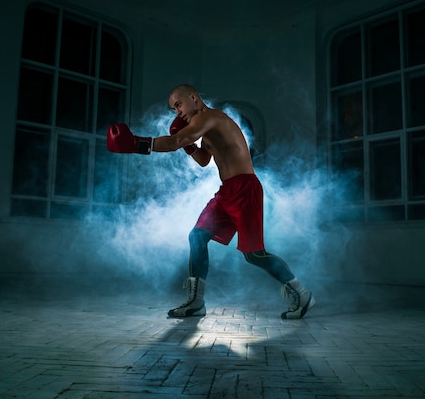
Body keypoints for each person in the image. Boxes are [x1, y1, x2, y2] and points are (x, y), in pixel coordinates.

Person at [106, 84, 315, 319]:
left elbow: (174, 141)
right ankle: (196, 302)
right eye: (173, 109)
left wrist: (136, 143)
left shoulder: (212, 118)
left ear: (193, 98)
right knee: (197, 236)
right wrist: (189, 146)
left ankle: (302, 293)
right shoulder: (205, 128)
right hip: (227, 191)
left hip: (245, 189)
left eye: (178, 105)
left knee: (254, 254)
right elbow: (204, 160)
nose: (177, 112)